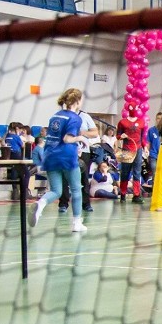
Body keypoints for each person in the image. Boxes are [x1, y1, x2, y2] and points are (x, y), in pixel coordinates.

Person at [28, 88, 89, 233]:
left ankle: (40, 204)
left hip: (50, 156)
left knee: (55, 191)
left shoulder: (55, 116)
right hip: (67, 157)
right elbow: (67, 139)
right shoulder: (75, 118)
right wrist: (81, 139)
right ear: (77, 101)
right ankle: (76, 223)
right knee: (76, 189)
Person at [59, 110, 97, 213]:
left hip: (83, 150)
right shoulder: (63, 115)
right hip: (67, 150)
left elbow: (95, 133)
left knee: (83, 178)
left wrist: (83, 133)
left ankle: (86, 203)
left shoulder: (85, 116)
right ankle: (63, 204)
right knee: (64, 177)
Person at [116, 103, 147, 204]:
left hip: (138, 150)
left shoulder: (141, 122)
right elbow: (118, 135)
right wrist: (121, 136)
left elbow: (142, 137)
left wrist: (144, 147)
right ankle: (123, 194)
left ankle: (136, 195)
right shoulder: (122, 122)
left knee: (137, 172)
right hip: (126, 149)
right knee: (125, 172)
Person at [147, 113, 161, 185]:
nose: (159, 120)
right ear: (156, 119)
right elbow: (148, 143)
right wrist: (147, 154)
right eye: (158, 118)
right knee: (154, 172)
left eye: (161, 118)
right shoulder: (151, 130)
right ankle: (155, 190)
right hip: (153, 155)